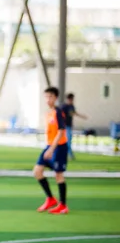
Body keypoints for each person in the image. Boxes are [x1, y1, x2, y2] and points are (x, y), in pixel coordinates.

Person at [34, 87, 69, 215]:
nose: (48, 99)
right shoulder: (48, 113)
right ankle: (50, 198)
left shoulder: (58, 112)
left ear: (55, 98)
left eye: (51, 97)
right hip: (49, 146)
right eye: (46, 97)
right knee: (37, 171)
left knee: (58, 175)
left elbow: (61, 132)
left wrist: (52, 149)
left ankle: (63, 205)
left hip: (59, 147)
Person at [60, 93, 88, 160]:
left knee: (69, 141)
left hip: (69, 126)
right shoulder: (64, 107)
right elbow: (60, 116)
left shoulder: (72, 106)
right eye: (71, 99)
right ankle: (69, 155)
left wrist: (82, 116)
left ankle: (68, 155)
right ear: (68, 99)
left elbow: (74, 113)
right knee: (67, 141)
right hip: (64, 127)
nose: (72, 100)